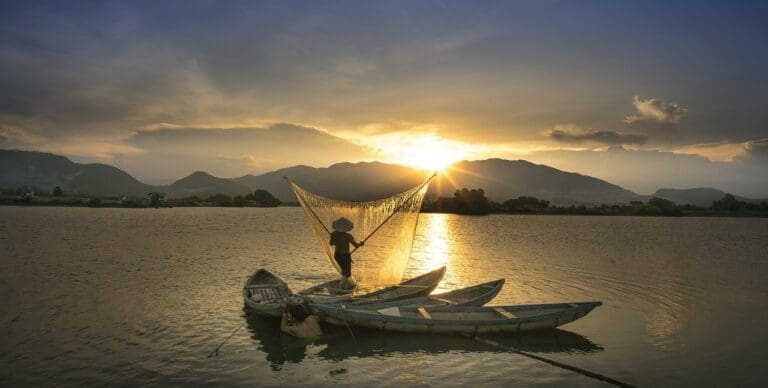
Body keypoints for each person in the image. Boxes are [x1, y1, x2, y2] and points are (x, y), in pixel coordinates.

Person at [329, 217, 363, 288]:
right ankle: (342, 286)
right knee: (347, 273)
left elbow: (331, 243)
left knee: (344, 271)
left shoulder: (333, 234)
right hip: (345, 256)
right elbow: (356, 245)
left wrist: (335, 239)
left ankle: (344, 284)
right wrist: (361, 244)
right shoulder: (349, 236)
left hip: (337, 255)